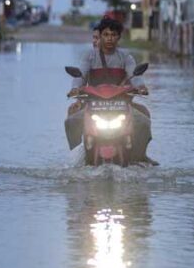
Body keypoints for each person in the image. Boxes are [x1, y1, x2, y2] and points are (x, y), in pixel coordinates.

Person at [66, 17, 157, 165]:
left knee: (143, 119)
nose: (110, 38)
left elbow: (135, 74)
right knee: (71, 118)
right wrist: (75, 89)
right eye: (106, 35)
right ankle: (76, 156)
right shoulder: (89, 56)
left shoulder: (125, 57)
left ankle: (140, 155)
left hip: (122, 104)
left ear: (119, 38)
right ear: (100, 36)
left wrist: (141, 87)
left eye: (113, 35)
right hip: (93, 104)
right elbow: (80, 75)